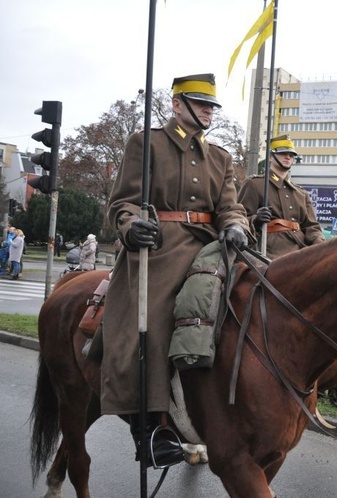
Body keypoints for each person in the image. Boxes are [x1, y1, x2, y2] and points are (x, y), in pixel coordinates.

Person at [101, 73, 253, 466]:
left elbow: (230, 206)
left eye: (212, 105)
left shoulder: (221, 157)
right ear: (176, 104)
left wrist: (236, 224)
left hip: (211, 247)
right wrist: (132, 225)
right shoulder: (146, 143)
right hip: (161, 246)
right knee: (153, 323)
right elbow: (123, 202)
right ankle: (150, 426)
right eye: (200, 103)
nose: (208, 110)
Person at [238, 134, 326, 259]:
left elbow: (311, 227)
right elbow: (237, 218)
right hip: (268, 251)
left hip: (300, 248)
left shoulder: (301, 193)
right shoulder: (255, 184)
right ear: (270, 157)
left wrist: (321, 245)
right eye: (283, 153)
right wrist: (256, 219)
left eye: (291, 155)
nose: (288, 157)